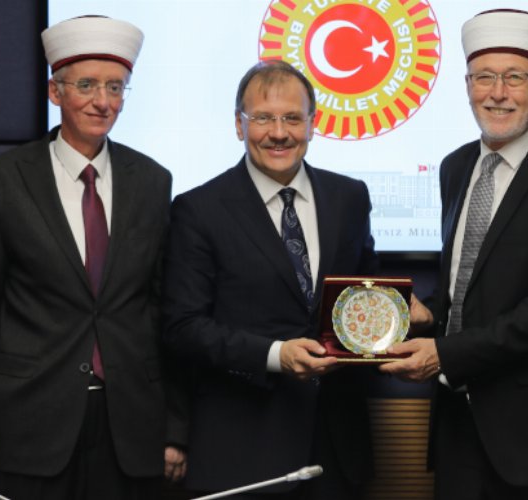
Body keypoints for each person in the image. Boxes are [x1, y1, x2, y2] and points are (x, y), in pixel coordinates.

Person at [380, 9, 528, 500]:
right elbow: (468, 282)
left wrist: (446, 354)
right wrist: (428, 314)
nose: (497, 93)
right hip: (459, 431)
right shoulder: (455, 167)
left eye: (514, 77)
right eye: (484, 77)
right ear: (467, 85)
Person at [0, 15, 187, 499]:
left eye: (115, 87)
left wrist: (175, 427)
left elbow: (165, 314)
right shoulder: (3, 181)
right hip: (30, 425)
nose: (103, 101)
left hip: (131, 428)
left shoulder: (152, 181)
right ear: (55, 92)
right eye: (87, 85)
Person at [162, 60, 380, 499]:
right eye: (262, 118)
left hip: (338, 448)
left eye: (292, 118)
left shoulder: (349, 197)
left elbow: (364, 295)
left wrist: (399, 315)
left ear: (312, 124)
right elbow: (182, 327)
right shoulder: (199, 209)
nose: (278, 133)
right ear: (238, 125)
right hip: (243, 447)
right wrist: (276, 355)